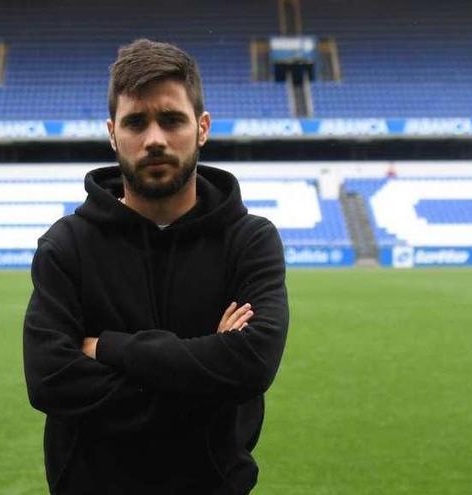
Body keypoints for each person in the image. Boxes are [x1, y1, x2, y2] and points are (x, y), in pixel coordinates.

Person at [23, 38, 289, 494]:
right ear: (112, 133)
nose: (154, 139)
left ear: (201, 127)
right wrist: (208, 378)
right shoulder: (67, 244)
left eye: (171, 119)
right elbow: (50, 380)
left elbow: (251, 366)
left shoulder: (250, 240)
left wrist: (108, 349)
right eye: (135, 122)